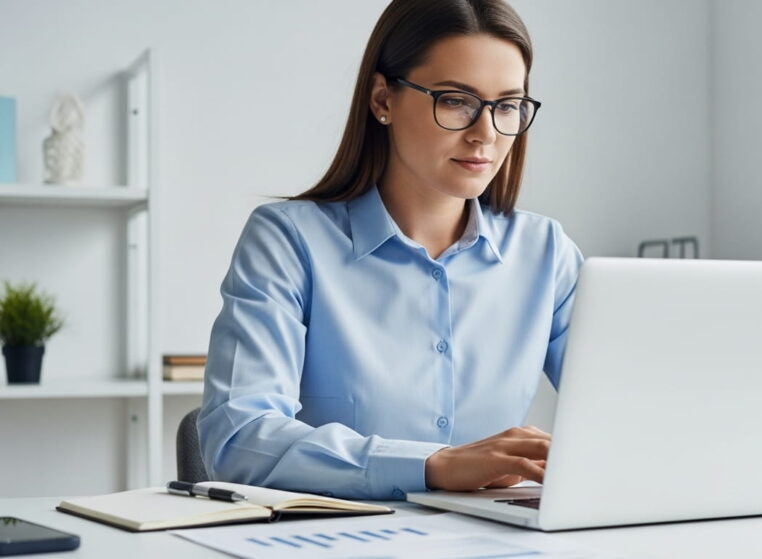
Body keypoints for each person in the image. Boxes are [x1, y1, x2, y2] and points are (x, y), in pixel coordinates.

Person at [197, 0, 583, 500]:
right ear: (383, 99)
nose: (486, 132)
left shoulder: (546, 252)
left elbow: (633, 407)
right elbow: (238, 441)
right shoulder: (288, 241)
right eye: (455, 100)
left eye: (507, 105)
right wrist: (432, 465)